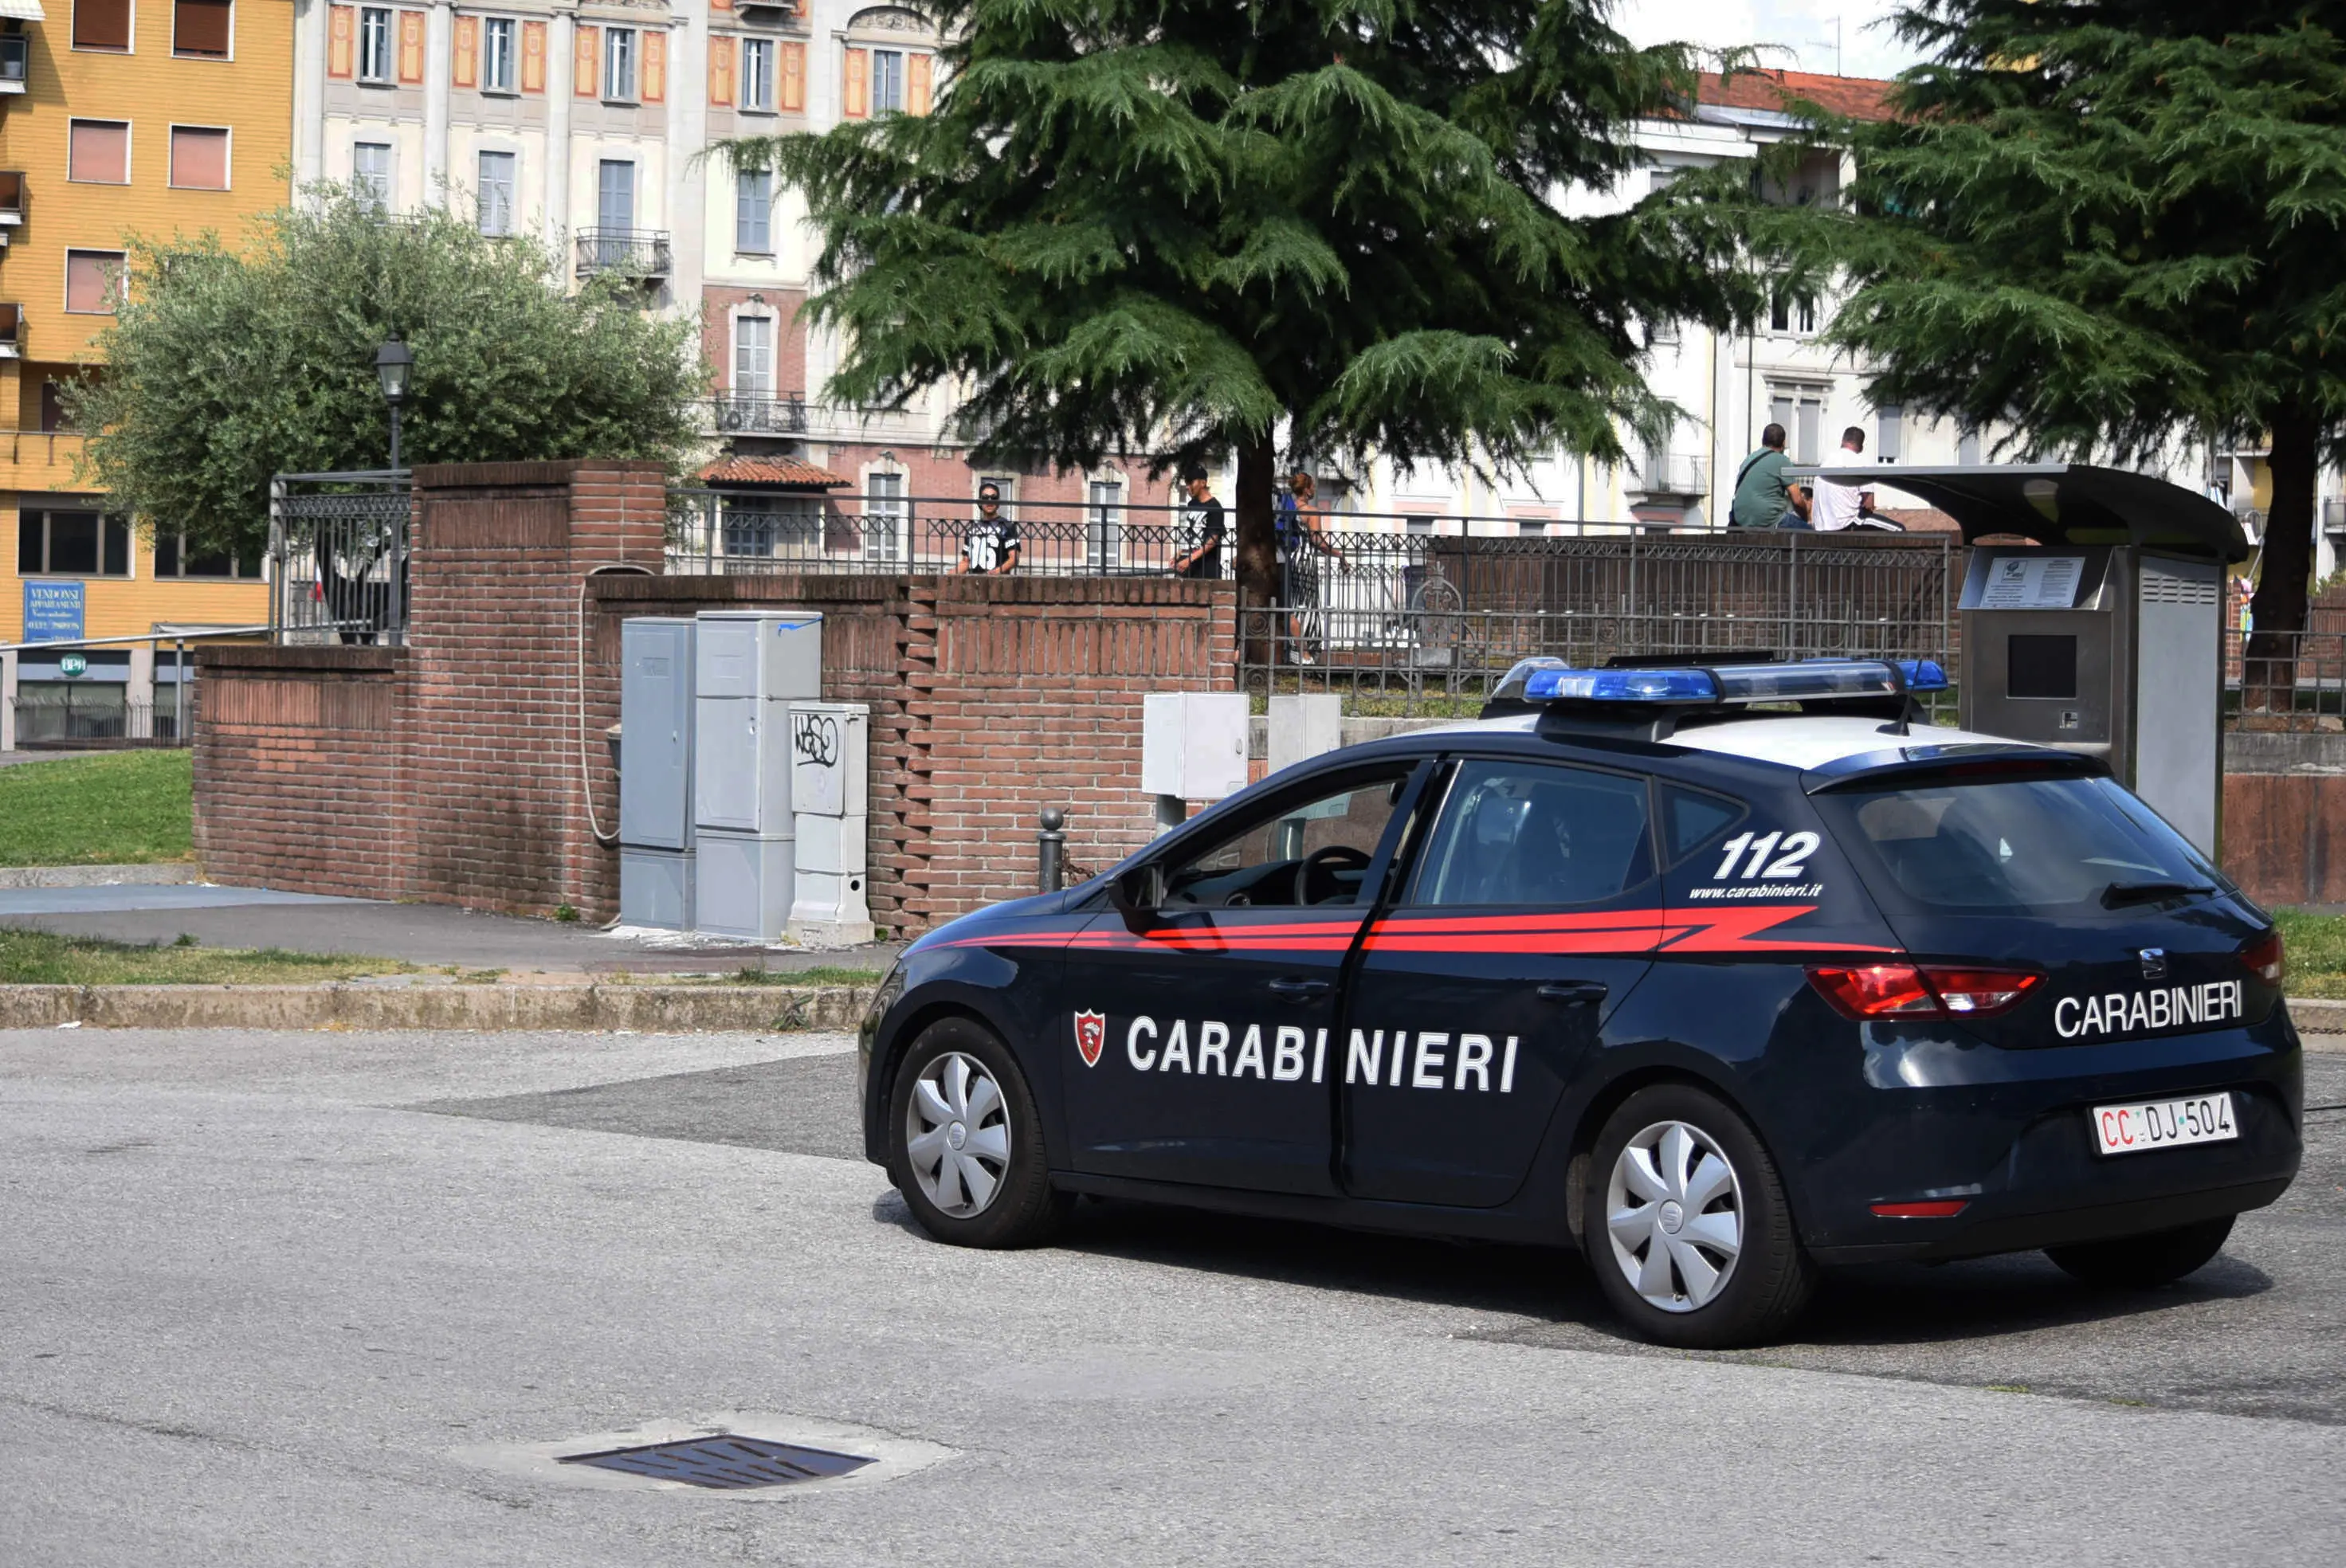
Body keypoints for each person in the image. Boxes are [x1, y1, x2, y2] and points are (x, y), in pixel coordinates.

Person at [1278, 470, 1345, 664]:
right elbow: (1318, 541)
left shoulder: (1288, 510)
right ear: (1306, 490)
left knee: (1293, 604)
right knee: (1307, 605)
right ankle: (1305, 651)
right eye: (1313, 486)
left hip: (1290, 559)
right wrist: (1338, 554)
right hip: (1306, 560)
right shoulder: (1312, 512)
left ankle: (1292, 647)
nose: (1314, 489)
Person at [1727, 423, 1809, 530]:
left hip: (1741, 520)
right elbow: (1797, 500)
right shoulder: (1782, 460)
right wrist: (1805, 518)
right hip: (1770, 520)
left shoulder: (1749, 459)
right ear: (1784, 443)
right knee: (1814, 535)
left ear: (1763, 440)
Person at [1808, 427, 1877, 533]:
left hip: (1821, 527)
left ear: (1842, 441)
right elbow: (1869, 505)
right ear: (1862, 447)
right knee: (1899, 529)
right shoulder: (1861, 463)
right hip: (1847, 525)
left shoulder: (1826, 462)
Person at [954, 480, 1020, 574]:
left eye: (994, 498)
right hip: (974, 583)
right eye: (985, 497)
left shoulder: (1007, 526)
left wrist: (995, 572)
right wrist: (950, 574)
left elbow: (1014, 559)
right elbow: (965, 562)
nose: (990, 501)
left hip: (998, 583)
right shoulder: (972, 528)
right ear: (980, 502)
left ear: (998, 502)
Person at [1172, 467, 1226, 578]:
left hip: (1206, 567)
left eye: (1191, 482)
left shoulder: (1215, 507)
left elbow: (1213, 540)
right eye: (1186, 483)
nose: (1187, 487)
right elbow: (1189, 532)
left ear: (1203, 483)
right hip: (1189, 565)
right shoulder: (1192, 504)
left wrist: (1190, 559)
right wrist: (1179, 554)